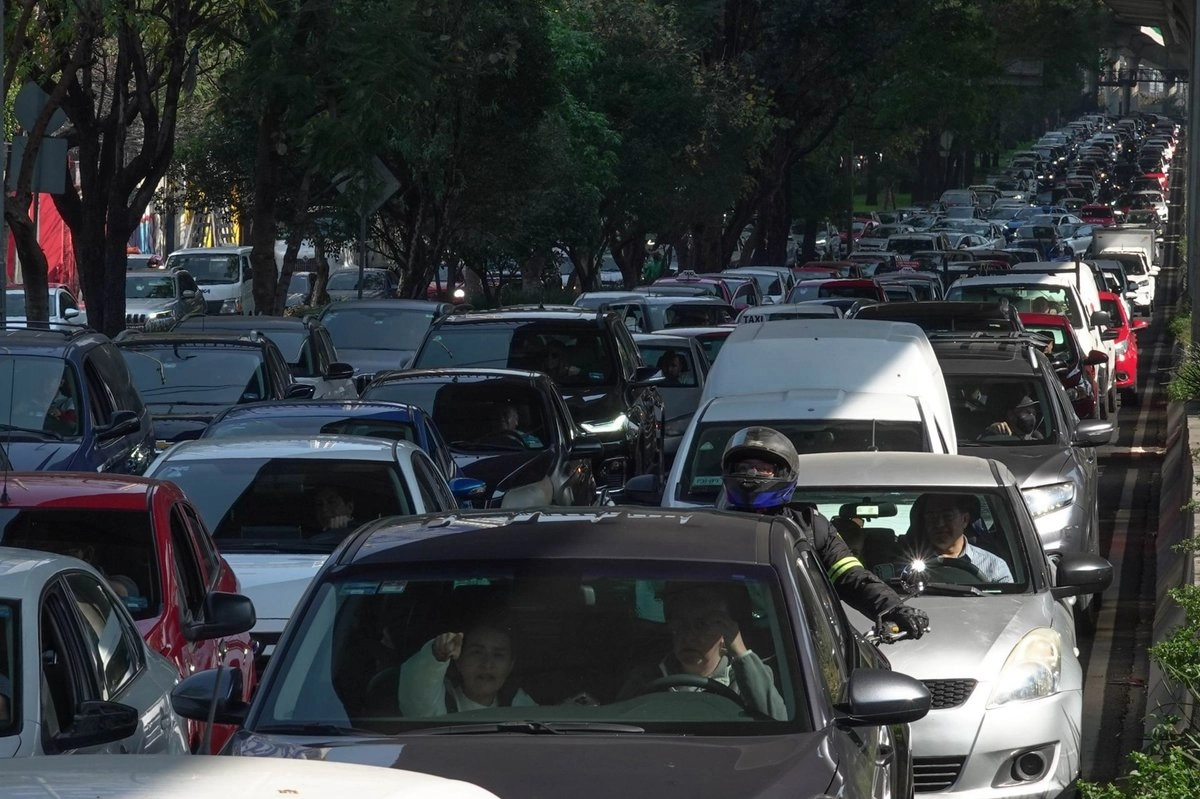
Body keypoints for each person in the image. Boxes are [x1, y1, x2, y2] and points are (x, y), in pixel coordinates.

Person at [719, 426, 929, 638]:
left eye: (763, 468)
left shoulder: (810, 526)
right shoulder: (709, 528)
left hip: (801, 641)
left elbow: (851, 576)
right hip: (723, 642)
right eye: (744, 467)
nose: (752, 474)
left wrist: (893, 608)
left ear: (784, 472)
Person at [618, 582, 786, 720]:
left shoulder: (746, 679)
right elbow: (620, 725)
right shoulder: (646, 678)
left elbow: (778, 722)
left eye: (703, 625)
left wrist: (740, 651)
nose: (689, 636)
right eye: (680, 625)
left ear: (725, 633)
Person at [397, 617, 537, 716]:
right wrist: (437, 654)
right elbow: (419, 687)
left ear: (510, 665)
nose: (487, 664)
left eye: (498, 655)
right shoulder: (441, 700)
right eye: (477, 652)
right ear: (459, 660)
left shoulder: (518, 704)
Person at [913, 493, 1013, 583]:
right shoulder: (909, 564)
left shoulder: (995, 566)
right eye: (931, 517)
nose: (939, 524)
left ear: (965, 520)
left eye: (947, 516)